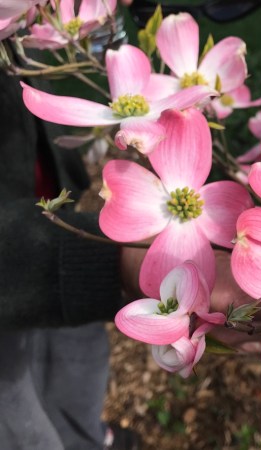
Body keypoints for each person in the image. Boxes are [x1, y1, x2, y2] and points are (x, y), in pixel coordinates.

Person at [0, 70, 144, 449]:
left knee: (77, 358)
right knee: (17, 410)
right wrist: (115, 260)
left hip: (47, 206)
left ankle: (85, 437)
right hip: (27, 256)